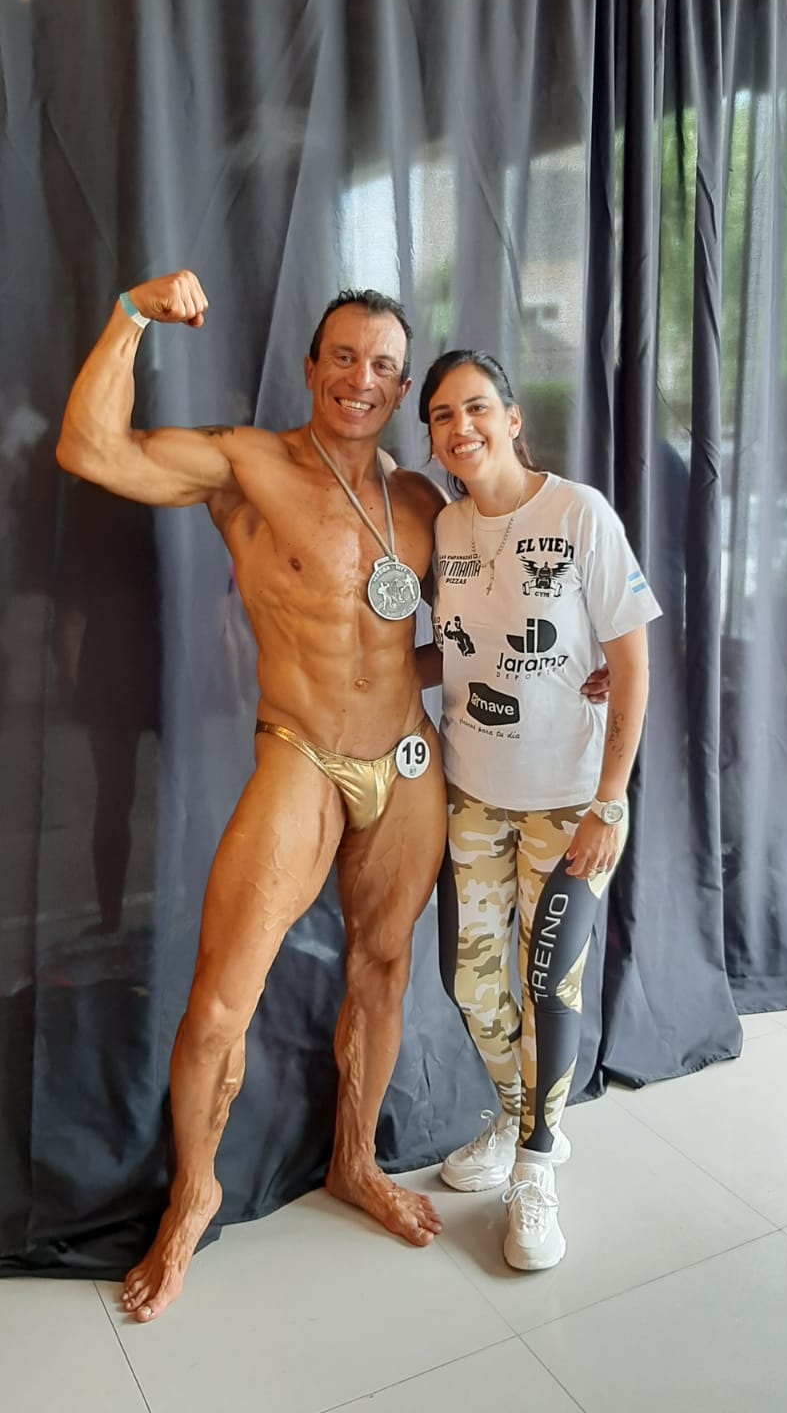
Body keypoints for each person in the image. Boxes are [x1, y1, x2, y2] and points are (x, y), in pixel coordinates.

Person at [56, 270, 447, 1321]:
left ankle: (355, 1161)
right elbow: (91, 450)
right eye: (343, 356)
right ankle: (194, 1194)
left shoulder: (421, 501)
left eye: (382, 365)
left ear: (401, 385)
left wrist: (583, 669)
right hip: (302, 755)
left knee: (383, 971)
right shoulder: (250, 465)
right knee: (221, 1004)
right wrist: (131, 316)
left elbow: (483, 618)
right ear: (311, 367)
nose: (360, 378)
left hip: (408, 762)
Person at [418, 349, 661, 1272]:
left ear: (513, 419)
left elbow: (630, 662)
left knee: (549, 981)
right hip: (474, 797)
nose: (462, 427)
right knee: (473, 984)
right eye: (442, 415)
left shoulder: (578, 512)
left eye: (477, 407)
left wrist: (610, 800)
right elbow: (457, 652)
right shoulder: (444, 528)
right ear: (431, 438)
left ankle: (536, 1162)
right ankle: (517, 1117)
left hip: (572, 804)